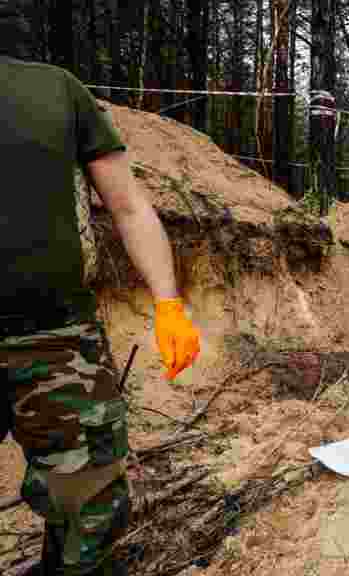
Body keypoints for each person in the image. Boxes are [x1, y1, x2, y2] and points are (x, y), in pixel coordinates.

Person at [0, 3, 202, 574]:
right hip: (59, 338)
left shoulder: (57, 91)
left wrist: (167, 303)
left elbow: (129, 205)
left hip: (57, 339)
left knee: (87, 506)